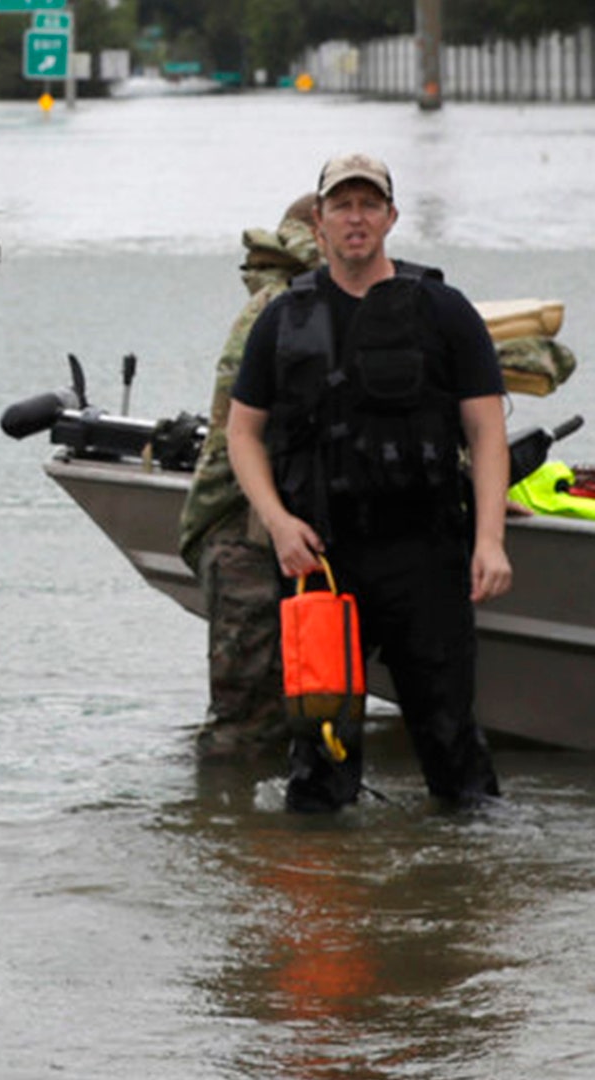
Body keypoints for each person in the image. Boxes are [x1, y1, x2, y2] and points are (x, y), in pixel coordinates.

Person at [227, 152, 511, 812]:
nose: (356, 218)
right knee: (320, 752)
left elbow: (487, 431)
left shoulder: (443, 310)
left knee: (452, 746)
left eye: (368, 205)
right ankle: (324, 899)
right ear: (319, 222)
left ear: (390, 217)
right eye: (342, 206)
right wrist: (276, 521)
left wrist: (490, 541)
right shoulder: (282, 318)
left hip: (426, 554)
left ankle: (466, 895)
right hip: (320, 561)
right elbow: (243, 434)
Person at [178, 194, 321, 761]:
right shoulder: (277, 310)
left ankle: (249, 836)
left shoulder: (312, 305)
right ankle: (229, 832)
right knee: (246, 724)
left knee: (303, 707)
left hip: (283, 531)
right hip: (245, 536)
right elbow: (235, 435)